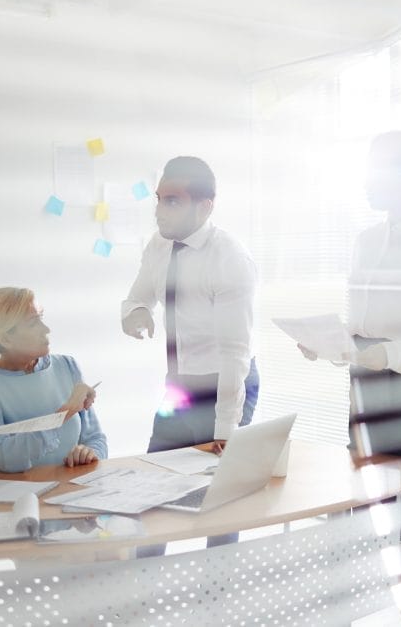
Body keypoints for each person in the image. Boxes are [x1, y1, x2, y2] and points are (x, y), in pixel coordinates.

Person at [299, 131, 401, 611]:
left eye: (378, 168)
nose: (367, 179)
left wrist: (389, 356)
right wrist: (330, 343)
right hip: (366, 392)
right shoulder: (365, 241)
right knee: (369, 518)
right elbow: (363, 327)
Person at [122, 156, 258, 550]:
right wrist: (136, 314)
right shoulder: (158, 245)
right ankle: (145, 577)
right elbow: (137, 297)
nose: (159, 211)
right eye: (159, 199)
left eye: (173, 201)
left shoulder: (229, 258)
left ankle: (218, 583)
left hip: (226, 381)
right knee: (152, 484)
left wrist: (225, 430)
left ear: (204, 207)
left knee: (219, 498)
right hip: (180, 383)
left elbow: (235, 353)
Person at [0, 287, 107, 472]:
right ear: (6, 339)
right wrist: (66, 412)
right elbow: (4, 458)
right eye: (33, 323)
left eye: (42, 317)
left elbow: (96, 439)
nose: (46, 329)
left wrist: (90, 453)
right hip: (24, 489)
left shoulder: (67, 365)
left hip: (74, 485)